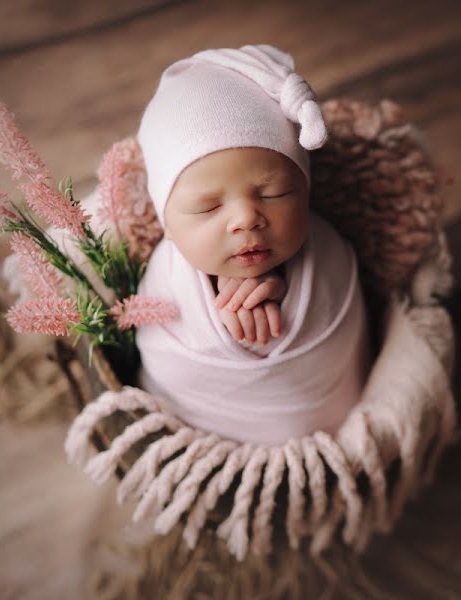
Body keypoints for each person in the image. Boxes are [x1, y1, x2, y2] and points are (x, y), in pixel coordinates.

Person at [134, 44, 371, 445]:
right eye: (208, 207)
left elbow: (341, 331)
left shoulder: (330, 252)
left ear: (306, 192)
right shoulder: (163, 280)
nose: (246, 218)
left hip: (332, 434)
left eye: (275, 193)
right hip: (205, 444)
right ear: (166, 224)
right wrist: (215, 313)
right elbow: (164, 355)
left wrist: (284, 293)